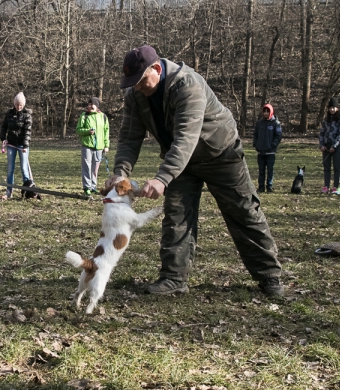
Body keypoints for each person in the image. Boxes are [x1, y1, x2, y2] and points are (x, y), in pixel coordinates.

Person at [107, 45, 283, 297]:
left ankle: (269, 276)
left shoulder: (188, 85)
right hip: (180, 162)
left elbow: (186, 139)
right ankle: (173, 278)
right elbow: (129, 138)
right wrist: (120, 172)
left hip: (221, 154)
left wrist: (162, 179)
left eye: (141, 80)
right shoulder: (135, 95)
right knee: (176, 216)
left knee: (244, 211)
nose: (137, 87)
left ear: (156, 69)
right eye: (132, 83)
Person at [0, 92, 33, 200]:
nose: (18, 107)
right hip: (11, 144)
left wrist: (25, 145)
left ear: (23, 105)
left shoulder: (27, 115)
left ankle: (28, 191)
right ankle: (9, 191)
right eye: (17, 104)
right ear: (14, 104)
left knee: (24, 169)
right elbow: (4, 127)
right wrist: (3, 138)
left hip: (22, 145)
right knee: (10, 169)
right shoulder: (9, 114)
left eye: (21, 105)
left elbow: (27, 131)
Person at [76, 97, 109, 195]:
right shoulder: (84, 116)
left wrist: (106, 145)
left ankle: (93, 186)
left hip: (99, 147)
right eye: (89, 104)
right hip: (87, 145)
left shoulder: (103, 116)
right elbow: (78, 130)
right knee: (87, 166)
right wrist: (87, 131)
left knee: (95, 168)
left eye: (92, 104)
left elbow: (106, 131)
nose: (90, 106)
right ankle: (87, 187)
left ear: (97, 105)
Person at [318, 97, 340, 194]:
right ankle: (326, 186)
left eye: (334, 107)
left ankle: (335, 186)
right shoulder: (326, 119)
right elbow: (322, 132)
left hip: (336, 147)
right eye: (330, 107)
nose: (332, 109)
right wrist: (321, 145)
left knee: (336, 167)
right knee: (326, 168)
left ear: (337, 108)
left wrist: (334, 146)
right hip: (326, 146)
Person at [253, 103, 282, 193]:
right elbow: (255, 135)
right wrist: (256, 144)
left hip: (270, 152)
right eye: (264, 111)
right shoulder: (259, 123)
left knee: (270, 170)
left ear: (271, 112)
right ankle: (261, 187)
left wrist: (272, 145)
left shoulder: (275, 123)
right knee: (261, 171)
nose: (266, 113)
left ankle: (269, 186)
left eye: (267, 111)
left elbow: (278, 136)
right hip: (260, 152)